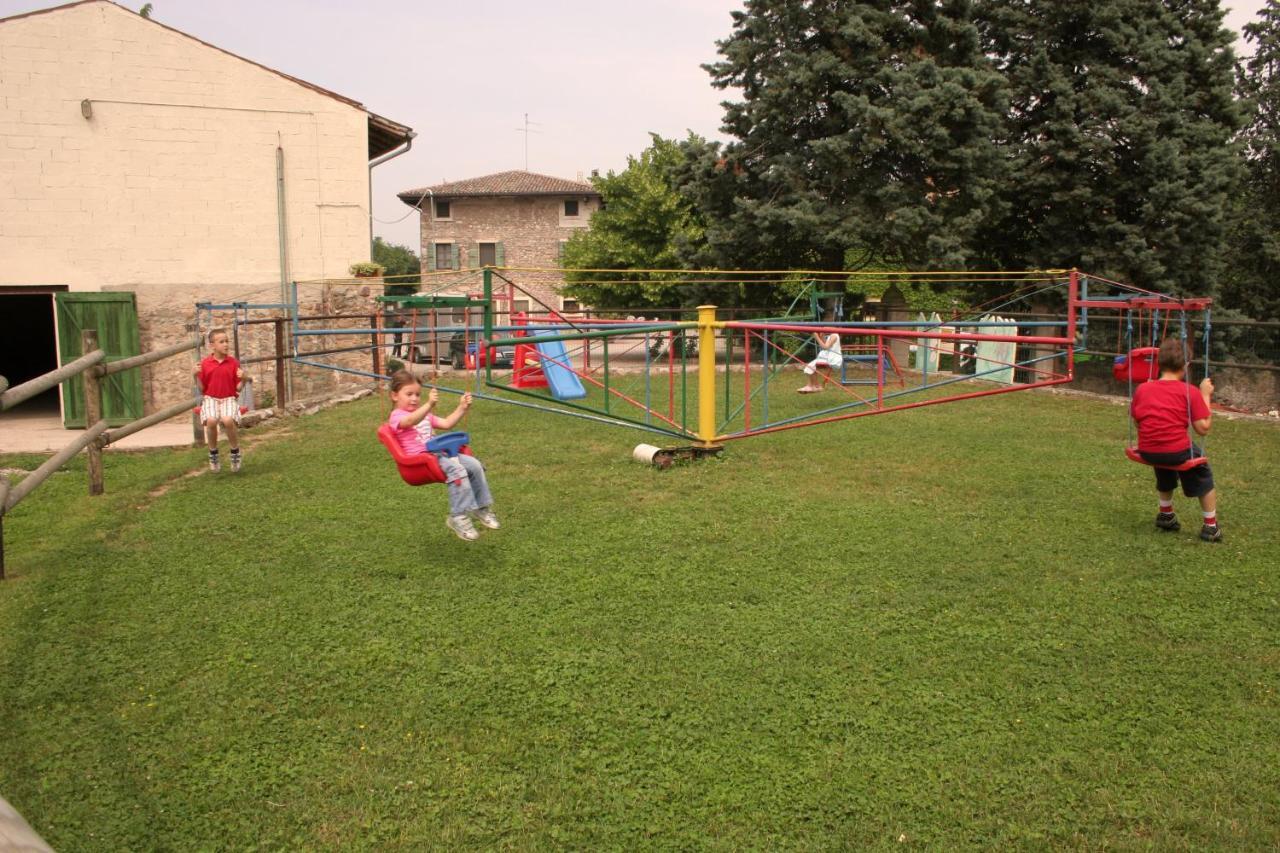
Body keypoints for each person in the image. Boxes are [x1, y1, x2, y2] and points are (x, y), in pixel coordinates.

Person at [387, 369, 498, 542]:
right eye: (409, 394)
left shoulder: (425, 415)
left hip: (439, 454)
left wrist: (462, 407)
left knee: (474, 465)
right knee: (457, 469)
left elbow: (446, 423)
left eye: (417, 394)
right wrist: (428, 405)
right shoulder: (397, 416)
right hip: (420, 462)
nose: (415, 398)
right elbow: (409, 422)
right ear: (394, 396)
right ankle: (458, 516)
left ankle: (481, 508)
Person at [1130, 336, 1221, 542]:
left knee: (1164, 465)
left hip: (1148, 450)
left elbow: (1137, 421)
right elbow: (1203, 429)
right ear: (1186, 366)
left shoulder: (1143, 388)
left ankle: (1166, 515)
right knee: (1201, 471)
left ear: (1159, 363)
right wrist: (1206, 395)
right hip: (1176, 451)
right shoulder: (1190, 392)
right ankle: (1210, 527)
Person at [194, 328, 244, 472]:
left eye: (227, 341)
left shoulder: (233, 363)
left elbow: (239, 388)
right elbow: (202, 389)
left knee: (228, 420)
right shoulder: (205, 364)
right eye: (221, 342)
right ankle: (213, 453)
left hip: (229, 397)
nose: (226, 344)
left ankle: (235, 451)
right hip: (211, 398)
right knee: (211, 421)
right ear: (212, 345)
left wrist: (245, 378)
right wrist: (195, 375)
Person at [798, 325, 842, 393]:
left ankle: (812, 386)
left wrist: (817, 337)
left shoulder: (834, 335)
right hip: (829, 358)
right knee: (811, 366)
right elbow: (826, 344)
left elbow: (825, 347)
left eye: (826, 328)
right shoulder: (832, 336)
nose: (824, 329)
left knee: (810, 366)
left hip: (833, 359)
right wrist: (822, 336)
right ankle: (815, 386)